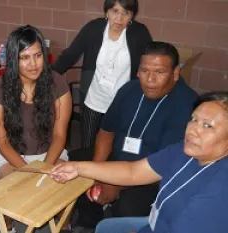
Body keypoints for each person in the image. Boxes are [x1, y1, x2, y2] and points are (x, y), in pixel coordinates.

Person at [51, 91, 228, 233]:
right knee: (105, 227)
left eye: (208, 126)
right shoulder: (184, 151)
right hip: (156, 222)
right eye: (194, 119)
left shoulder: (220, 188)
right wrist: (76, 167)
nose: (193, 130)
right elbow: (133, 172)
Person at [70, 41, 198, 232]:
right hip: (118, 158)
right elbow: (107, 132)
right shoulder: (128, 90)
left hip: (153, 175)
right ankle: (88, 223)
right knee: (75, 166)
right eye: (144, 71)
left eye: (159, 72)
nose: (150, 79)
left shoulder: (187, 105)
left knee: (130, 205)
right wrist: (97, 172)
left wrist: (116, 183)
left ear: (176, 73)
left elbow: (166, 167)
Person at [0, 25, 72, 232]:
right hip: (9, 156)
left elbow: (60, 136)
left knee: (65, 185)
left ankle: (63, 227)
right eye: (25, 58)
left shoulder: (57, 83)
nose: (33, 64)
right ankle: (8, 227)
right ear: (14, 59)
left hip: (50, 153)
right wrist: (27, 170)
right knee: (10, 186)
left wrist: (43, 169)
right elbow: (1, 141)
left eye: (38, 55)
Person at [52, 0, 152, 148]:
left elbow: (149, 63)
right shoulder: (93, 29)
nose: (119, 18)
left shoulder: (139, 33)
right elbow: (70, 56)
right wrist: (46, 78)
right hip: (94, 98)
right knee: (88, 145)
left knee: (115, 146)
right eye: (115, 11)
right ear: (106, 12)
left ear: (132, 16)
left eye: (126, 13)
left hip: (122, 102)